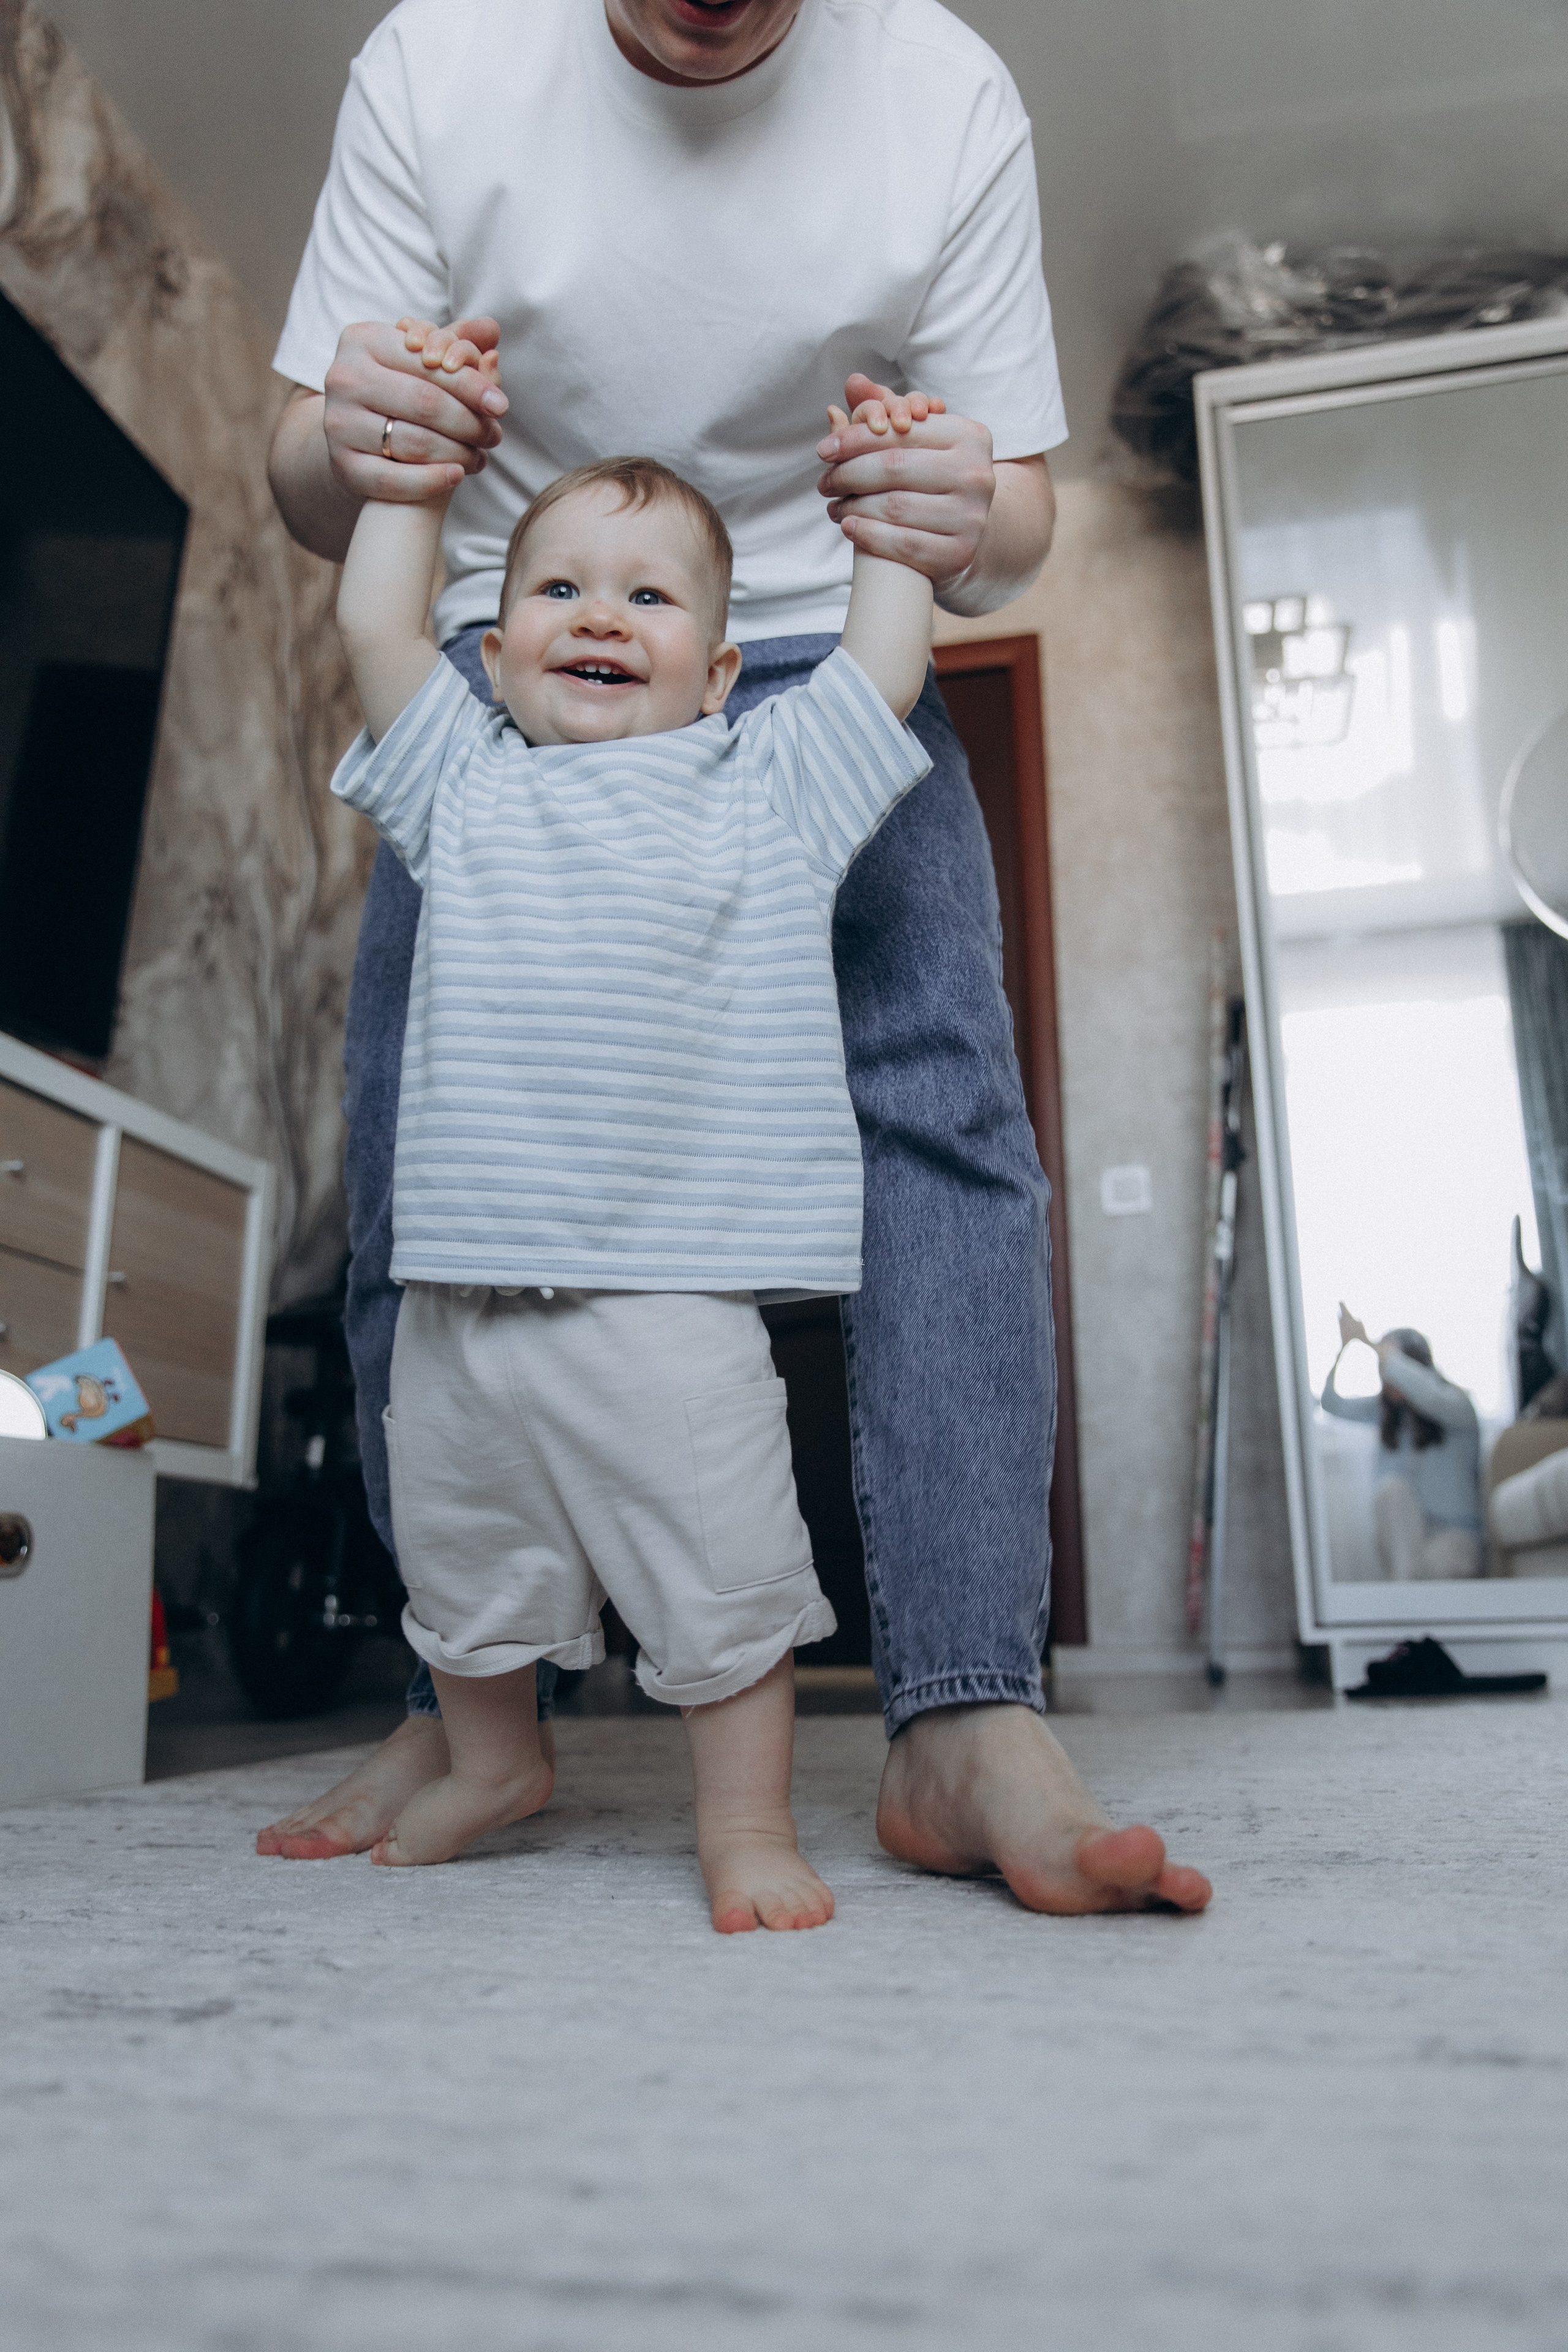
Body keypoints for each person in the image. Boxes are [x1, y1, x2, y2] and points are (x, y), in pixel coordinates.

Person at [258, 0, 1212, 1916]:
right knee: (415, 1157)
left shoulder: (943, 94)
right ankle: (476, 1699)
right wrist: (363, 443)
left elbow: (1009, 516)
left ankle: (959, 1701)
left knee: (941, 1107)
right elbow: (310, 491)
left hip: (806, 634)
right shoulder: (433, 66)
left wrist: (947, 517)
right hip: (496, 652)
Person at [330, 347, 936, 1924]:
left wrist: (884, 523)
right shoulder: (462, 782)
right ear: (498, 640)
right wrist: (410, 485)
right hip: (461, 1295)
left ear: (723, 671)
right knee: (459, 1579)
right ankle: (491, 1757)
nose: (598, 615)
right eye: (557, 587)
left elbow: (876, 674)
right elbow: (374, 626)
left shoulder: (767, 790)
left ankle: (742, 1822)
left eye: (649, 599)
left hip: (669, 1300)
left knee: (721, 1581)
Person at [1322, 1307, 1483, 1580]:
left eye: (1392, 1364)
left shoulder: (1457, 1408)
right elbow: (1331, 1403)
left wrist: (1374, 1345)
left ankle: (1407, 1602)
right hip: (1405, 1549)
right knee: (1392, 1490)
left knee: (1424, 1571)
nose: (1387, 1375)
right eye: (1383, 1367)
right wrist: (1344, 1349)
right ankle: (1408, 1599)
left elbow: (1429, 1396)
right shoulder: (1386, 1417)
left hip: (1455, 1539)